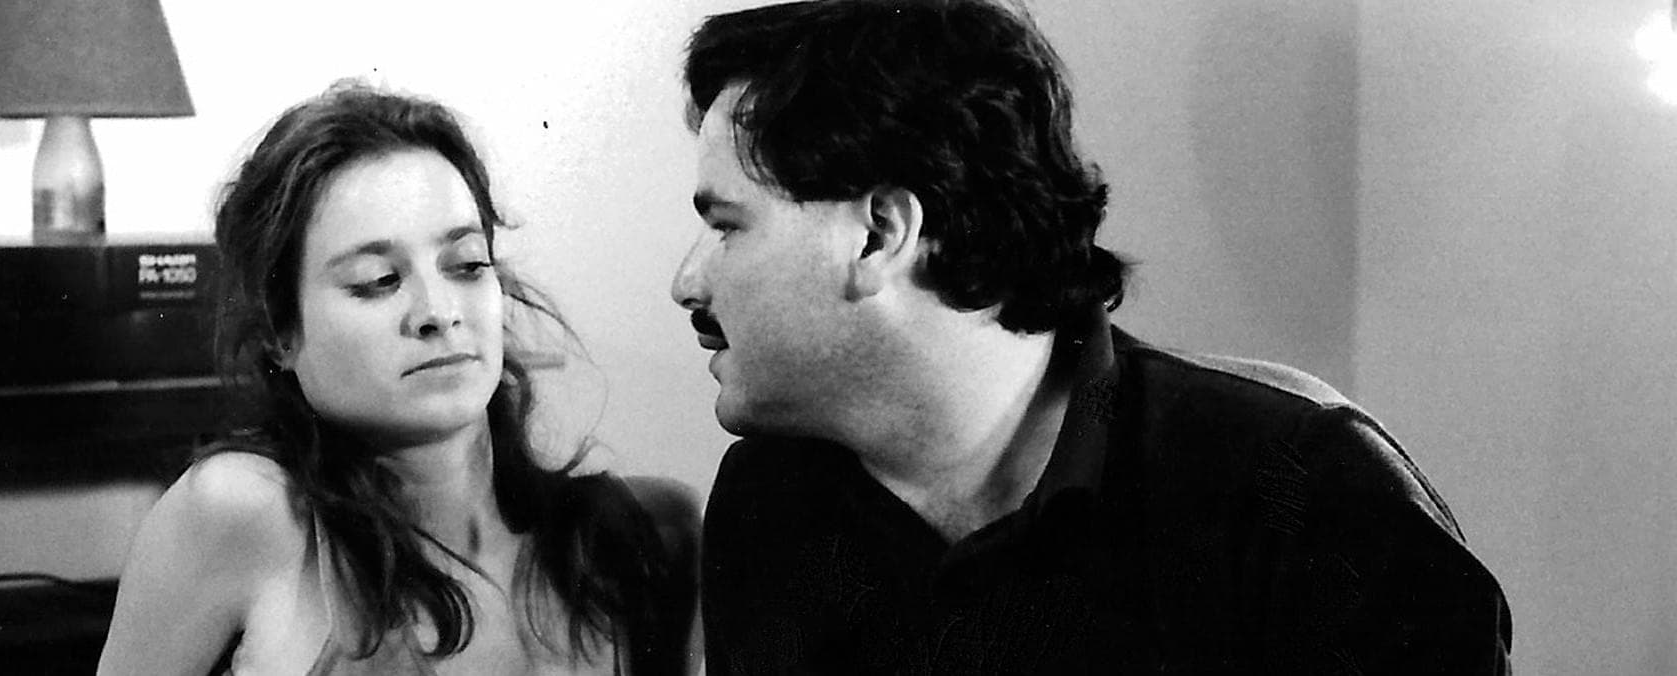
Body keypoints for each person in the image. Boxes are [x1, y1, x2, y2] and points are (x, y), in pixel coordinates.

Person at [670, 1, 1511, 673]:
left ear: (879, 234)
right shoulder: (768, 499)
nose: (687, 281)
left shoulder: (1306, 496)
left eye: (726, 225)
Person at [99, 82, 699, 675]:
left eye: (467, 265)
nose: (438, 311)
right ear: (281, 334)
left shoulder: (644, 536)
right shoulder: (242, 510)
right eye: (378, 281)